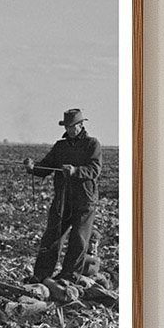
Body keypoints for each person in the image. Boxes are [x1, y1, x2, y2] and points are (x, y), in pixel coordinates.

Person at [23, 107, 101, 282]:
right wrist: (32, 168)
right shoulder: (60, 146)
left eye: (72, 126)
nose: (69, 130)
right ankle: (41, 275)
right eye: (67, 127)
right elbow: (46, 167)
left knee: (78, 240)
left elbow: (94, 169)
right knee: (51, 237)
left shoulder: (92, 144)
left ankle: (69, 276)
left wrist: (75, 171)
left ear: (81, 125)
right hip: (63, 200)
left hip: (84, 201)